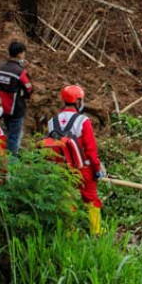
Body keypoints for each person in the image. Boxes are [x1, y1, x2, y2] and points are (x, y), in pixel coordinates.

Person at [47, 85, 105, 235]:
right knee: (91, 199)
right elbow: (91, 149)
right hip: (83, 169)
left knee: (67, 200)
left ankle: (69, 233)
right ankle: (96, 232)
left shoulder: (52, 122)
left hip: (61, 169)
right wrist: (97, 169)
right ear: (78, 101)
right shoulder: (83, 121)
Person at [0, 41, 34, 155]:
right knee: (14, 138)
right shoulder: (20, 72)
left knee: (6, 134)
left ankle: (0, 158)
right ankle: (11, 166)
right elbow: (29, 89)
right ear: (20, 54)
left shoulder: (0, 68)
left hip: (0, 108)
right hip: (15, 110)